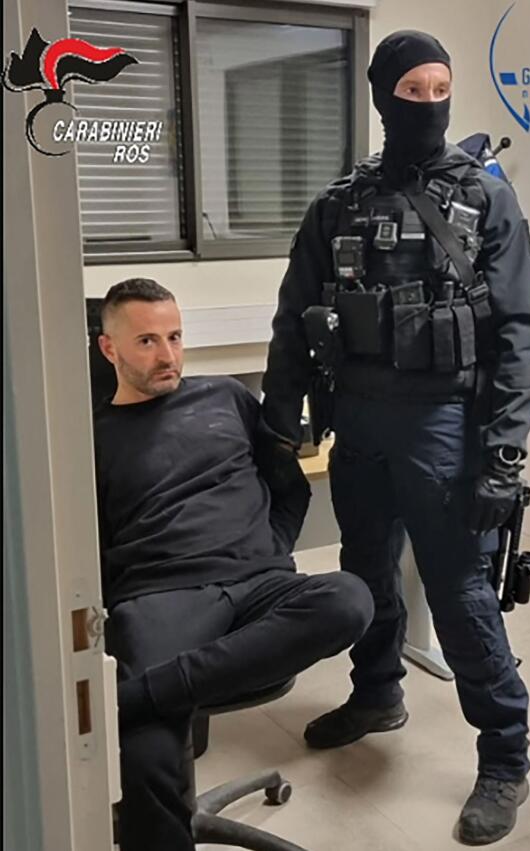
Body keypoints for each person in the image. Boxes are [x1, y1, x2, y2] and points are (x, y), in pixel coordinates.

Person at [261, 30, 530, 846]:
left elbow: (521, 333)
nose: (427, 104)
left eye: (439, 90)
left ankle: (506, 756)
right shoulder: (339, 203)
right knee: (366, 570)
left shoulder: (485, 199)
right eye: (411, 90)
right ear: (383, 95)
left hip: (444, 429)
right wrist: (281, 418)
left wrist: (504, 452)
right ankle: (377, 691)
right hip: (357, 423)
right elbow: (294, 316)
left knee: (460, 593)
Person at [92, 278, 374, 851]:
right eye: (146, 341)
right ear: (109, 348)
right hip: (160, 596)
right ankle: (154, 705)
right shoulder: (91, 437)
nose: (168, 355)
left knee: (349, 599)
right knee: (146, 756)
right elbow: (88, 551)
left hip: (257, 582)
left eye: (174, 337)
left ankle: (138, 698)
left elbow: (288, 486)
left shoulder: (226, 397)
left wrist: (270, 549)